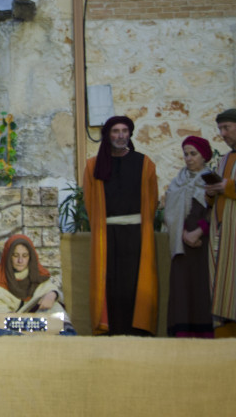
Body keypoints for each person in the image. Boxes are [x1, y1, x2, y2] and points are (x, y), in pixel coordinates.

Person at [83, 115, 158, 336]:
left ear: (130, 134)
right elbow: (90, 203)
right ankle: (110, 330)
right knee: (110, 285)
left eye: (124, 130)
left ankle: (137, 330)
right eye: (115, 131)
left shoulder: (144, 164)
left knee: (134, 285)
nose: (120, 135)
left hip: (136, 235)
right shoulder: (93, 166)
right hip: (106, 234)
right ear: (107, 135)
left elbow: (151, 202)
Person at [164, 136, 214, 338]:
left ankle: (205, 335)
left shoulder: (211, 180)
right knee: (182, 291)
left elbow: (215, 211)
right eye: (186, 154)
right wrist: (181, 232)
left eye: (193, 154)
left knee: (201, 289)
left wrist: (199, 230)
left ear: (204, 156)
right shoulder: (178, 181)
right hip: (181, 246)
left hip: (202, 245)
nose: (189, 158)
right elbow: (170, 212)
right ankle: (182, 335)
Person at [206, 108, 236, 337]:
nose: (222, 133)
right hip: (220, 229)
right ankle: (224, 335)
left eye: (226, 128)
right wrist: (212, 190)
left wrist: (229, 186)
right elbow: (214, 196)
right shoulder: (222, 159)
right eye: (220, 129)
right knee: (219, 283)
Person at [0, 234, 65, 317]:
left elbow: (53, 286)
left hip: (36, 322)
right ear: (8, 256)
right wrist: (7, 313)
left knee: (56, 308)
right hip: (8, 325)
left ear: (30, 257)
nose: (20, 261)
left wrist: (52, 294)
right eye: (15, 255)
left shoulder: (39, 275)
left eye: (25, 256)